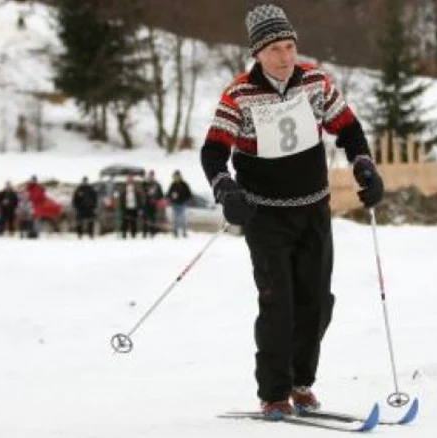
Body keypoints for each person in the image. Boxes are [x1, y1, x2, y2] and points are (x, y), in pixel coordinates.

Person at [200, 4, 383, 419]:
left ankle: (302, 384)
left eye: (290, 46)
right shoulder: (240, 94)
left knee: (317, 303)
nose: (285, 57)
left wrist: (365, 166)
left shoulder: (316, 82)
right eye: (276, 49)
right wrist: (225, 187)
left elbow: (349, 129)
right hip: (265, 217)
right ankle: (274, 392)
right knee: (277, 304)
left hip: (314, 211)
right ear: (257, 54)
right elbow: (213, 151)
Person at [166, 170, 191, 238]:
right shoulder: (172, 185)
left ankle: (184, 232)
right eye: (175, 176)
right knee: (175, 219)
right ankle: (175, 232)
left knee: (183, 219)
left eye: (177, 176)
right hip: (174, 205)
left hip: (182, 204)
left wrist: (184, 199)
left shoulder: (184, 184)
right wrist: (172, 196)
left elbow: (189, 194)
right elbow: (168, 194)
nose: (176, 177)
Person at [118, 174, 144, 239]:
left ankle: (133, 234)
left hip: (134, 207)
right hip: (126, 207)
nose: (130, 180)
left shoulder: (136, 188)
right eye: (129, 179)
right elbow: (121, 198)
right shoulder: (123, 187)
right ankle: (124, 234)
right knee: (125, 221)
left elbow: (139, 198)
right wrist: (121, 206)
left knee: (133, 221)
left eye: (131, 179)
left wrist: (140, 207)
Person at [142, 170, 163, 238]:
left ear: (154, 176)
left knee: (152, 218)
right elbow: (142, 191)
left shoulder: (157, 184)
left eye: (152, 175)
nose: (151, 177)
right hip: (146, 203)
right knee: (144, 218)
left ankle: (152, 232)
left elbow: (161, 194)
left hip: (153, 204)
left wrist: (156, 199)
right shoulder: (145, 183)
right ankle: (144, 232)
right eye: (150, 175)